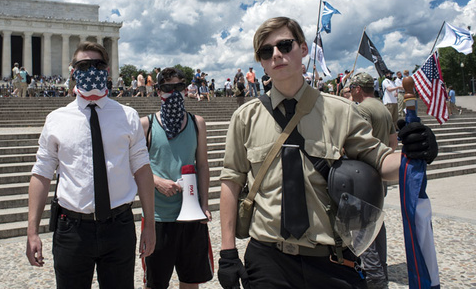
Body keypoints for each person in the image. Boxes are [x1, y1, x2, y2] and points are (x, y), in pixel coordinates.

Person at [218, 16, 438, 289]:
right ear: (261, 62)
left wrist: (413, 155)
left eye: (285, 45)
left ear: (303, 49)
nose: (276, 55)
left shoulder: (342, 111)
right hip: (269, 258)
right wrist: (228, 252)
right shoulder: (244, 118)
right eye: (266, 51)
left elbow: (381, 161)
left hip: (332, 258)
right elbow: (231, 181)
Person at [26, 41, 156, 289]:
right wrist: (32, 231)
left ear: (107, 70)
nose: (91, 70)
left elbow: (142, 170)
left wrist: (149, 224)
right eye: (84, 66)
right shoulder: (57, 119)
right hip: (72, 228)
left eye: (98, 65)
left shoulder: (127, 116)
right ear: (73, 71)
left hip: (119, 225)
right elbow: (41, 175)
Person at [140, 67, 214, 289]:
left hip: (191, 215)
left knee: (191, 281)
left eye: (179, 87)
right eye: (167, 88)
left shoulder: (197, 123)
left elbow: (203, 165)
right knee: (155, 283)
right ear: (158, 91)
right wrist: (156, 181)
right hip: (158, 216)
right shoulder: (146, 125)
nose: (173, 93)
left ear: (186, 89)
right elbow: (134, 166)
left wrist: (205, 204)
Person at [350, 72, 398, 289]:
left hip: (364, 176)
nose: (351, 92)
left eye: (352, 88)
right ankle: (382, 269)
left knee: (362, 227)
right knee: (377, 222)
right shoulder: (382, 108)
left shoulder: (362, 109)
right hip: (381, 173)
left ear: (358, 88)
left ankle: (373, 277)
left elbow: (362, 143)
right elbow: (393, 142)